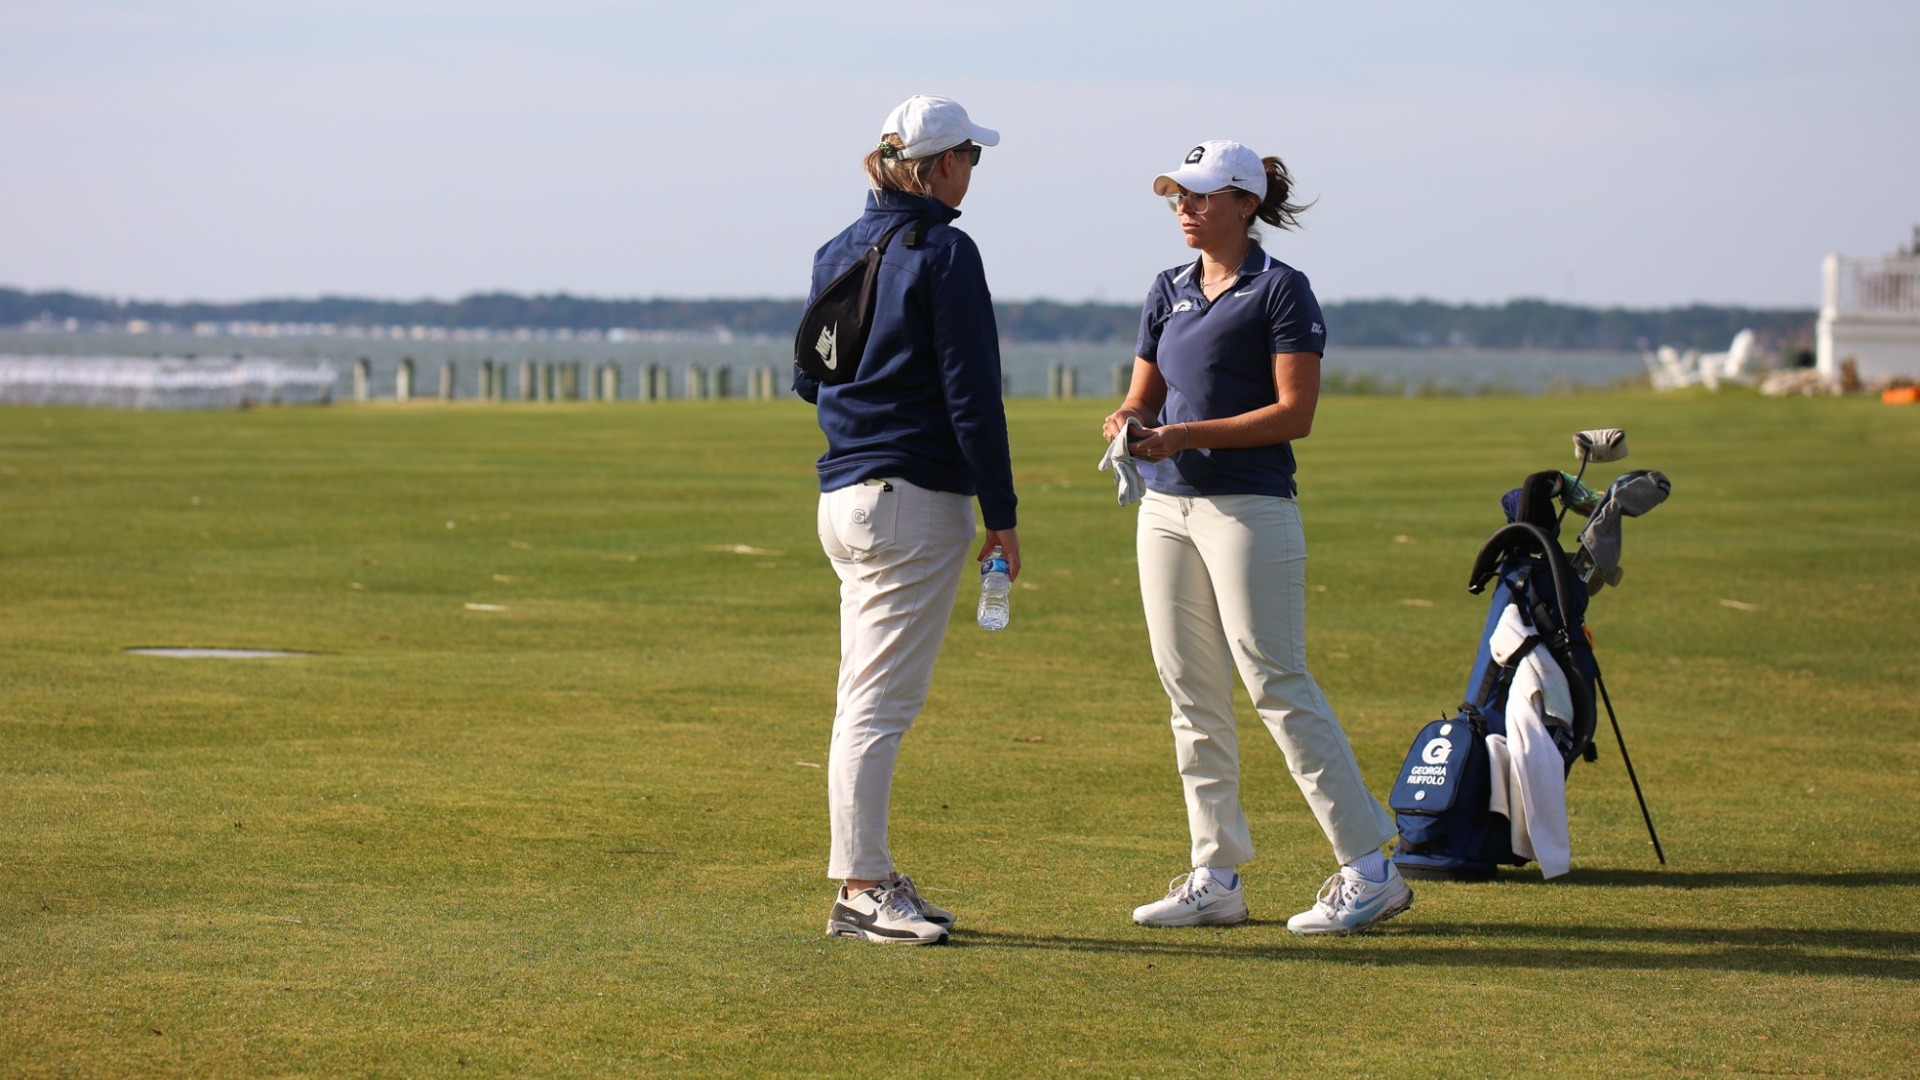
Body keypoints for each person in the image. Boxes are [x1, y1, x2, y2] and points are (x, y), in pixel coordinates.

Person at [1103, 140, 1411, 936]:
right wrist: (1128, 422)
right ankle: (1216, 876)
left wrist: (1186, 434)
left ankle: (1371, 869)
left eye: (1202, 196)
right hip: (1165, 509)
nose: (1185, 207)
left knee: (1277, 681)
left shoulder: (1281, 288)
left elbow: (1293, 414)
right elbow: (1144, 394)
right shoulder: (1167, 288)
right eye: (1179, 194)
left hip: (1250, 508)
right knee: (1190, 693)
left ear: (1246, 203)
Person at [795, 95, 1020, 945]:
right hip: (910, 501)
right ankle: (860, 888)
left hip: (844, 497)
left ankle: (872, 874)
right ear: (942, 166)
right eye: (970, 159)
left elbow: (811, 376)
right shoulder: (946, 250)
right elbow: (973, 395)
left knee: (863, 698)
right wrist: (1002, 515)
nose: (973, 174)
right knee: (877, 705)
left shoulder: (838, 246)